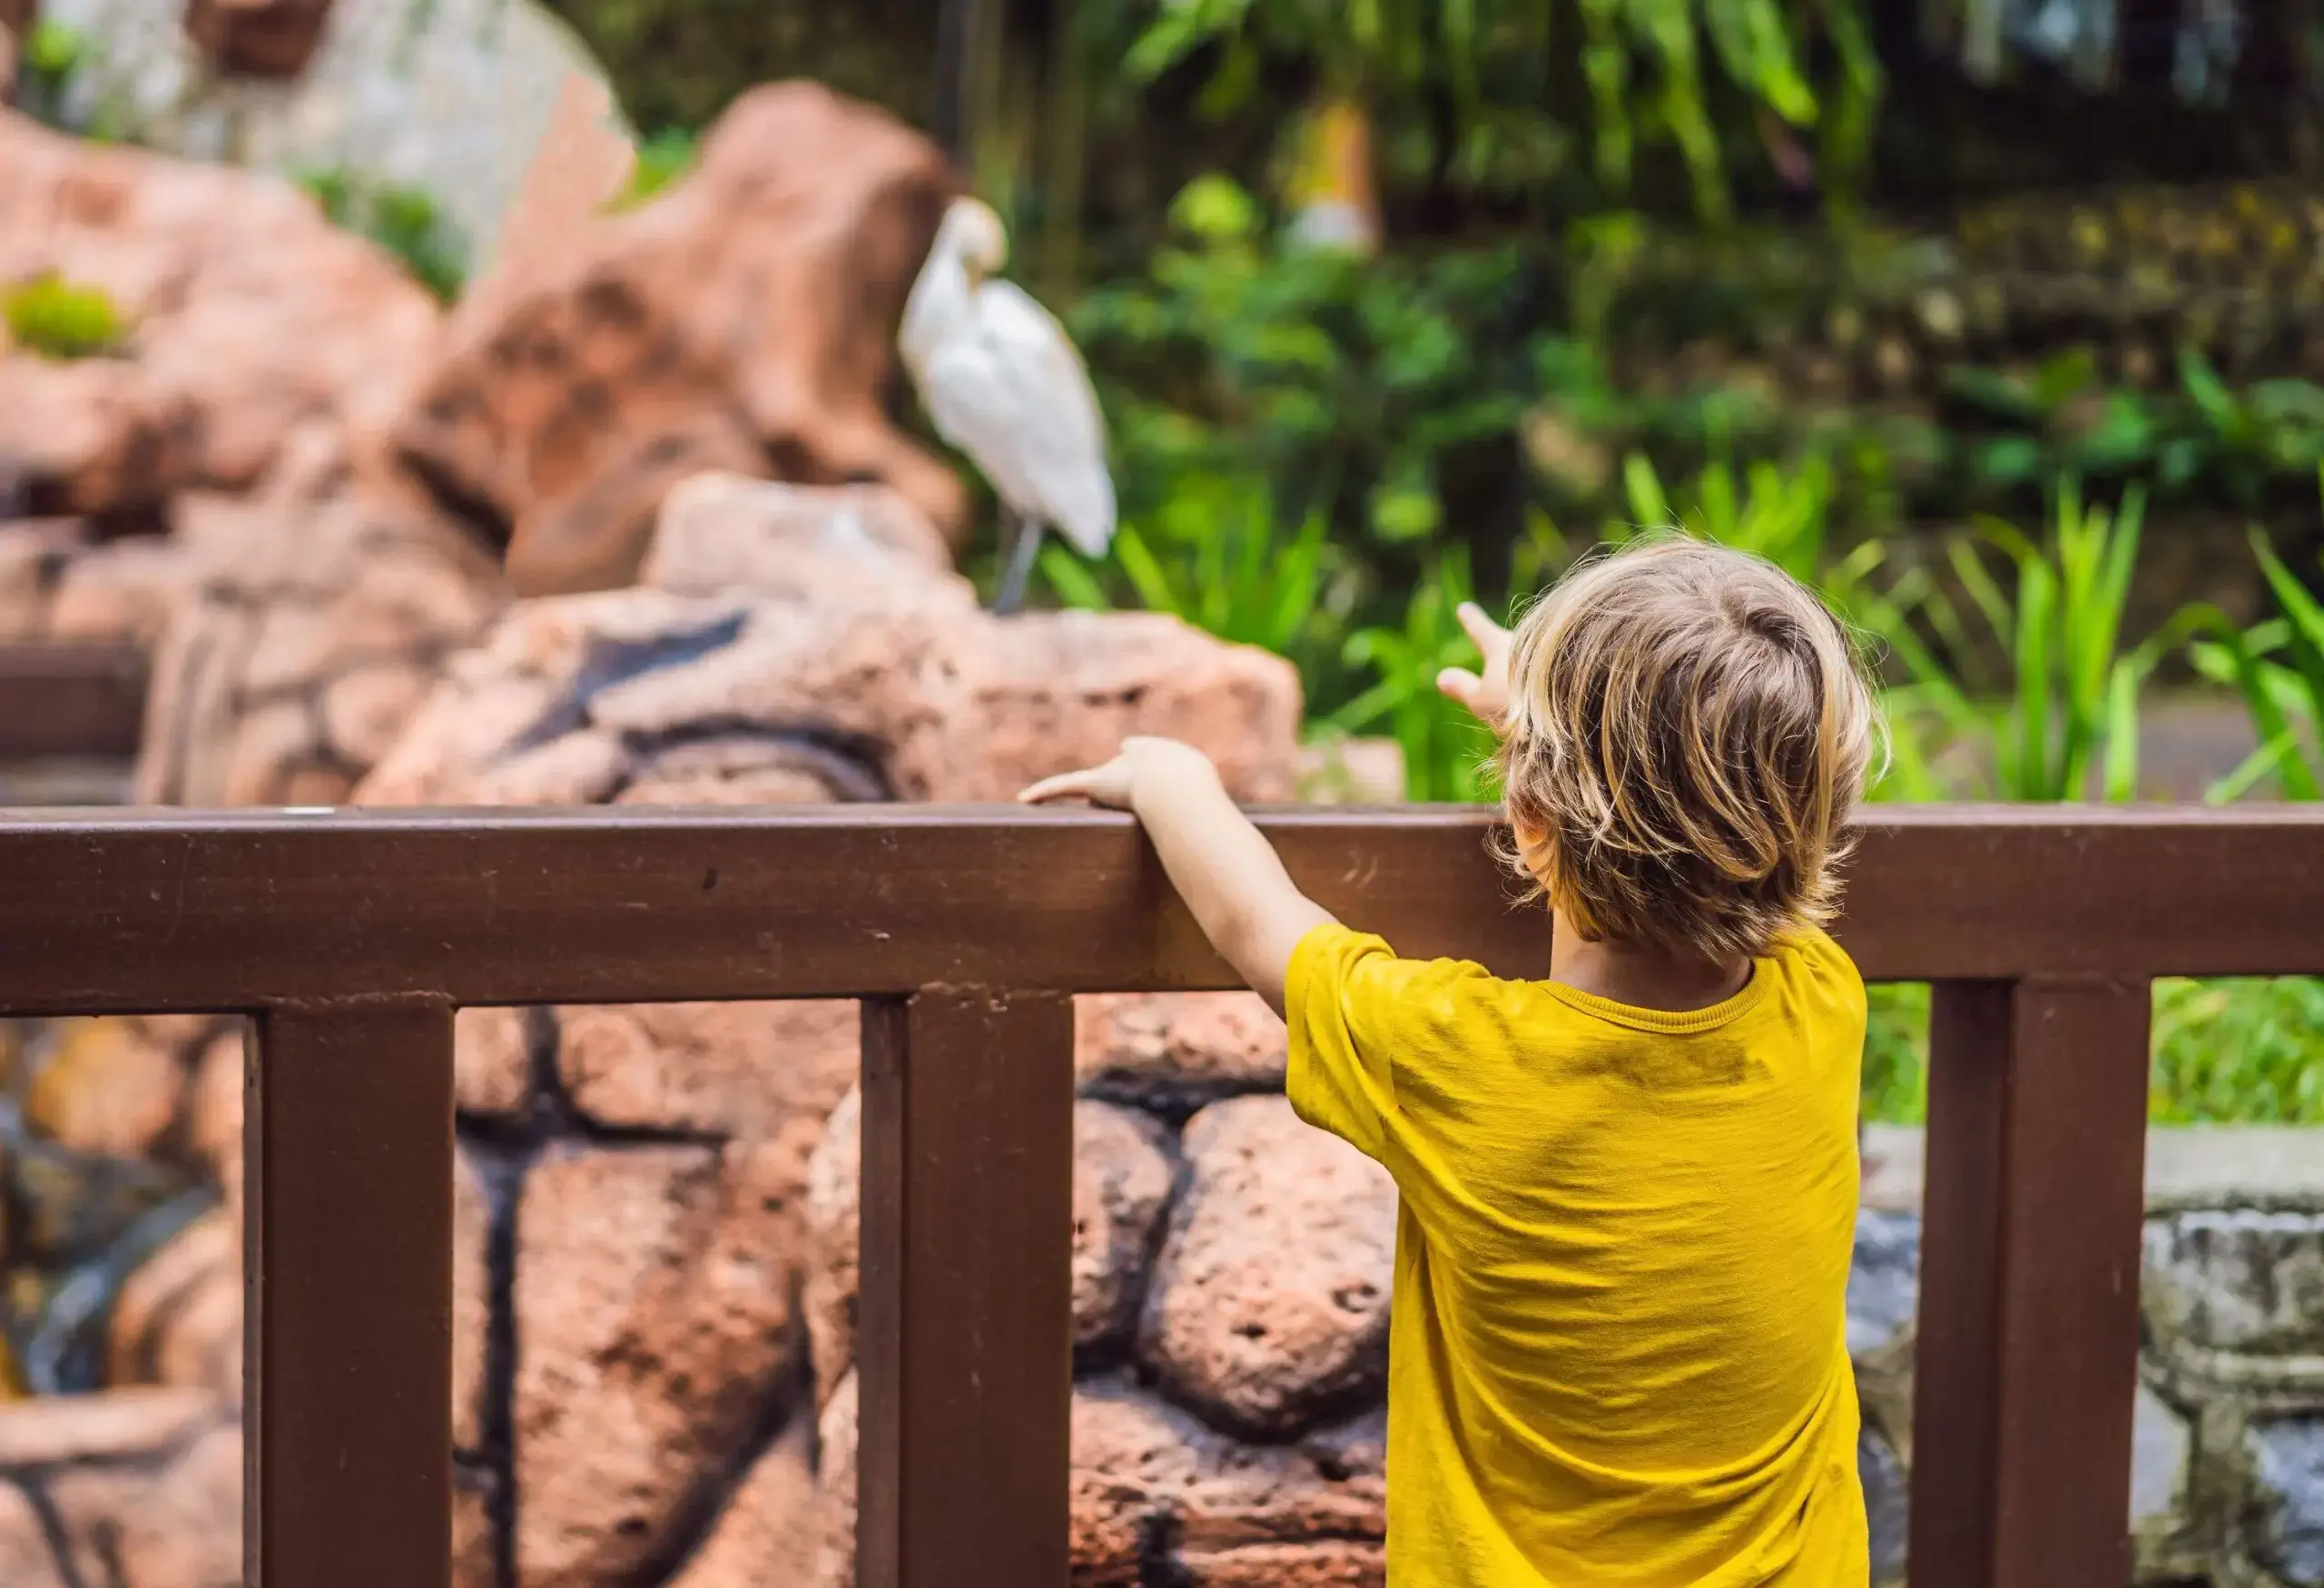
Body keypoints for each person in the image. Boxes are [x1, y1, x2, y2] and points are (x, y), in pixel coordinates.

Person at [1023, 535, 1877, 1586]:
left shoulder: (1460, 1059)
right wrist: (1565, 735)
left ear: (1526, 824)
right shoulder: (1819, 1000)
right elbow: (1712, 825)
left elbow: (1259, 923)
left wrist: (1174, 780)